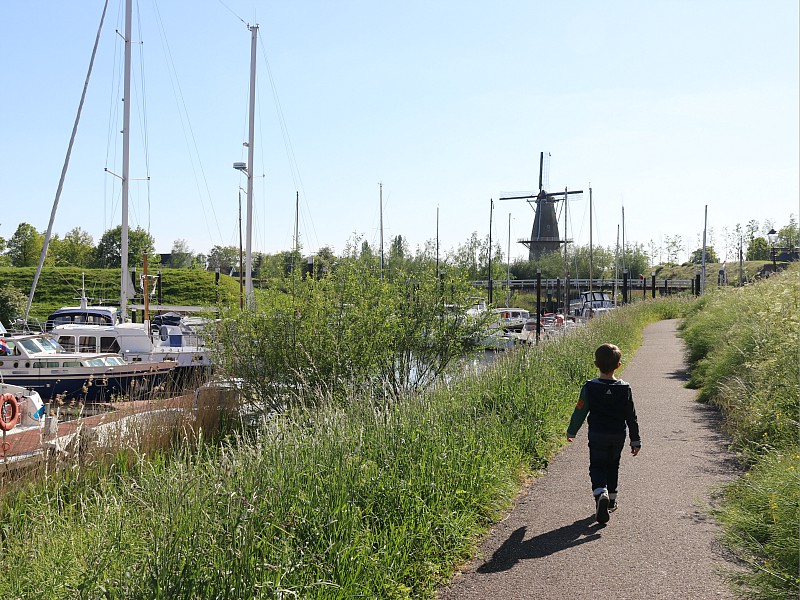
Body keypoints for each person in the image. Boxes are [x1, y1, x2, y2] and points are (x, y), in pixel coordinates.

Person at [566, 343, 641, 524]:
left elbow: (580, 411)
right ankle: (611, 500)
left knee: (597, 466)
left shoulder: (590, 387)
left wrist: (572, 431)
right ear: (618, 366)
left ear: (595, 364)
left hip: (597, 435)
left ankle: (601, 493)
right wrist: (635, 440)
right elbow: (631, 416)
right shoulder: (625, 388)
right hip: (617, 435)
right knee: (613, 465)